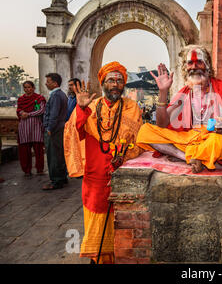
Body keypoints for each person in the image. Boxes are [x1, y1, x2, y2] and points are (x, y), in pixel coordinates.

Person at [136, 45, 222, 174]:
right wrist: (163, 91)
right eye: (190, 63)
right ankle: (189, 158)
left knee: (218, 142)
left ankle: (194, 156)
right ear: (185, 68)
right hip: (190, 139)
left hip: (212, 139)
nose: (194, 67)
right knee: (145, 131)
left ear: (207, 66)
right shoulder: (185, 93)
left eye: (199, 62)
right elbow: (162, 124)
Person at [65, 61, 143, 264]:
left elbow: (138, 140)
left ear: (124, 84)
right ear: (103, 83)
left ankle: (120, 256)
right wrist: (80, 109)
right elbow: (75, 133)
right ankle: (98, 258)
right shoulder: (90, 106)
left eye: (119, 80)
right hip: (95, 176)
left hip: (122, 173)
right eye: (111, 80)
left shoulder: (132, 107)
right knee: (97, 219)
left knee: (122, 219)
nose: (115, 84)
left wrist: (123, 156)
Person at [42, 73, 68, 190]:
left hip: (54, 129)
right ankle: (62, 177)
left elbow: (54, 114)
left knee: (53, 156)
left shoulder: (56, 95)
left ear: (55, 83)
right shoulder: (61, 94)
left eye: (48, 81)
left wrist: (49, 128)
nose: (46, 84)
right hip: (59, 128)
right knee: (59, 154)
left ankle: (56, 181)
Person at [16, 81, 46, 177]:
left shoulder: (39, 98)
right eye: (25, 87)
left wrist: (28, 114)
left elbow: (42, 110)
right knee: (24, 150)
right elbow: (18, 110)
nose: (27, 89)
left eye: (29, 87)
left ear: (33, 88)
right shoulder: (21, 99)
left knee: (38, 150)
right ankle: (27, 170)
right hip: (24, 127)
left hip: (36, 127)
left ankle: (40, 169)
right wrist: (21, 113)